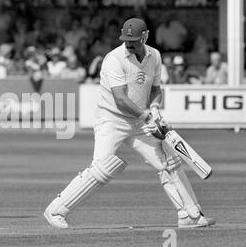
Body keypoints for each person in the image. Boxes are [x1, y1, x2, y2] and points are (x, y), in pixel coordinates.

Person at [44, 18, 215, 229]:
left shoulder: (155, 56)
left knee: (168, 163)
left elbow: (155, 90)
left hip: (140, 122)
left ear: (145, 37)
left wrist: (154, 110)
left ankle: (189, 215)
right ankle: (55, 210)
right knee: (102, 168)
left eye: (133, 40)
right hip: (111, 119)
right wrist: (147, 117)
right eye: (126, 39)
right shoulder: (113, 59)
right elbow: (121, 99)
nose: (129, 43)